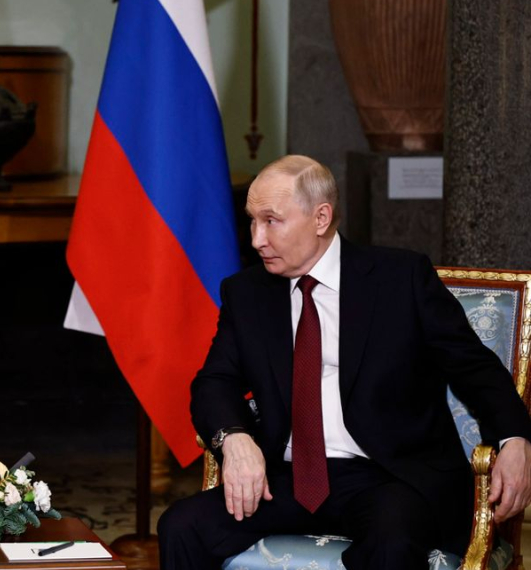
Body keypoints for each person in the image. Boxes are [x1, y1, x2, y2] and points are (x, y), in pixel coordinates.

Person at [158, 155, 531, 569]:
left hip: (388, 476)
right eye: (252, 221)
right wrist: (235, 439)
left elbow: (475, 368)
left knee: (390, 543)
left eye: (271, 221)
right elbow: (214, 382)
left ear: (320, 218)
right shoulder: (247, 293)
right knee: (182, 526)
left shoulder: (400, 279)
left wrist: (515, 439)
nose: (257, 239)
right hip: (285, 477)